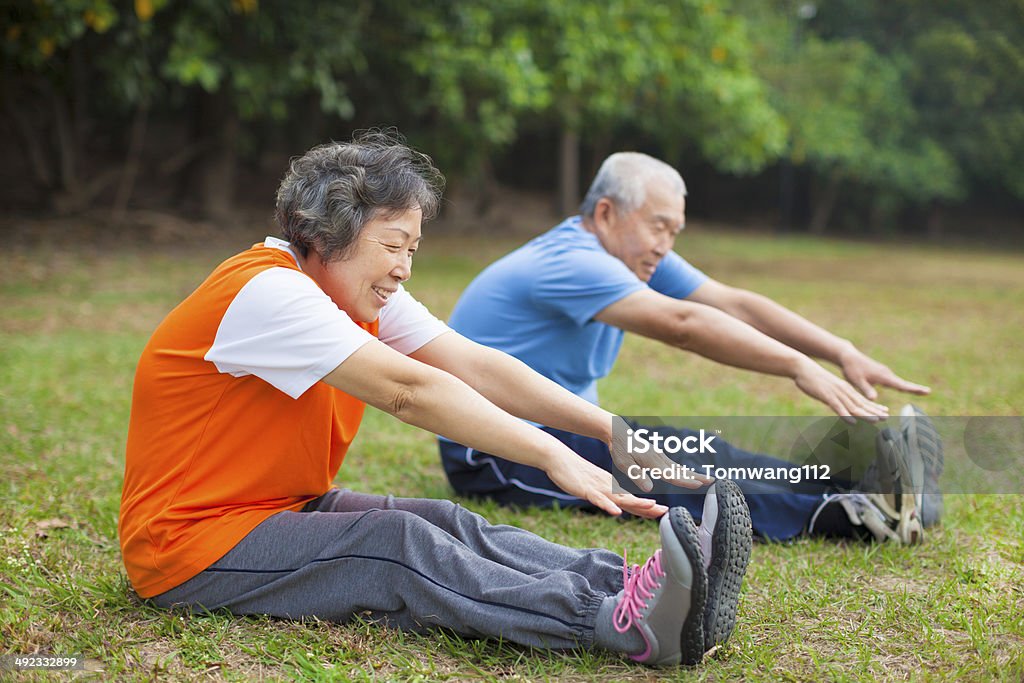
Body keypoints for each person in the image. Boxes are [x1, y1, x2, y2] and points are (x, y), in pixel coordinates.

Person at [118, 132, 755, 668]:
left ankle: (638, 585)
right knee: (395, 544)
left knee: (444, 521)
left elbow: (475, 364)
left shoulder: (354, 291)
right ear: (329, 232)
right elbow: (409, 390)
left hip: (274, 507)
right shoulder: (268, 293)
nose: (404, 268)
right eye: (393, 245)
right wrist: (549, 454)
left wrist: (612, 433)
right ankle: (623, 623)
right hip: (187, 548)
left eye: (412, 250)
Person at [440, 151, 944, 544]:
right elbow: (683, 323)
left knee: (705, 450)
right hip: (496, 452)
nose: (666, 244)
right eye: (658, 225)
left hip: (570, 425)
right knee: (685, 477)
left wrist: (840, 350)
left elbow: (733, 304)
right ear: (607, 213)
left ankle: (861, 488)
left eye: (675, 231)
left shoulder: (631, 253)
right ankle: (855, 517)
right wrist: (795, 366)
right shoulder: (572, 262)